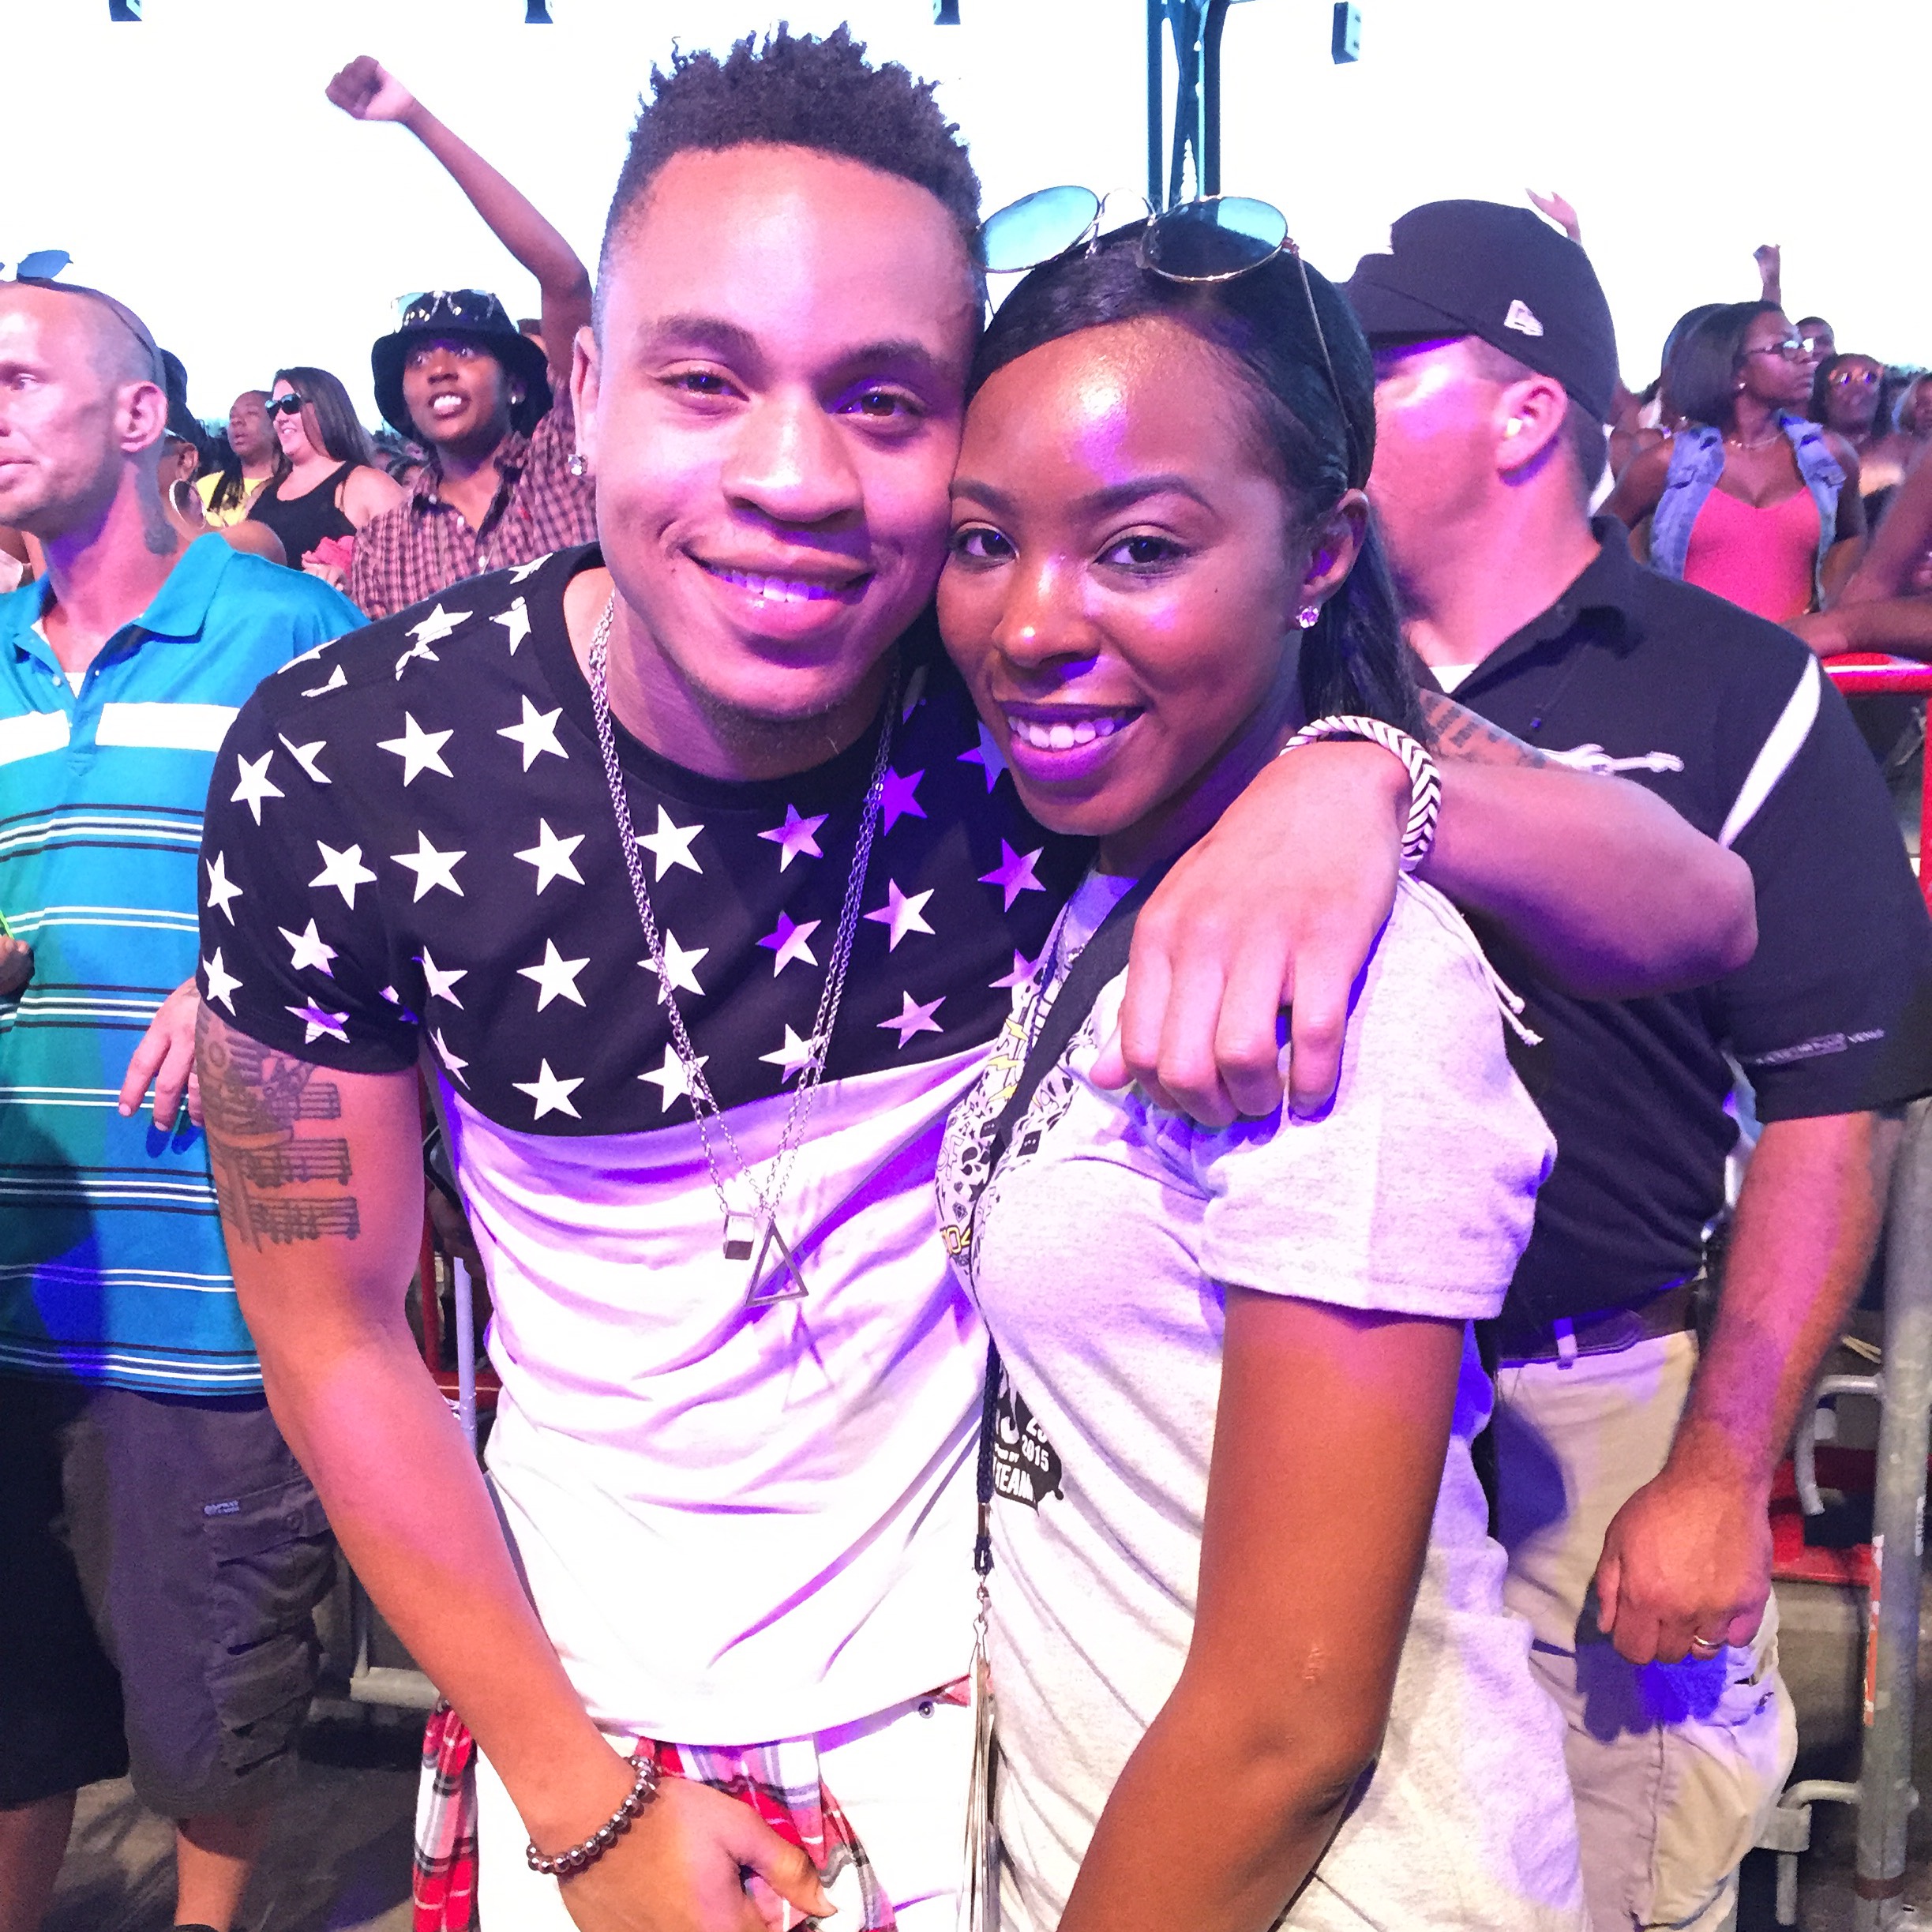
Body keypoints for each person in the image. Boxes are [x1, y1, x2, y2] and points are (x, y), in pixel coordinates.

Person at [192, 32, 1751, 1932]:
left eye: (881, 399)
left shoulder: (1034, 678)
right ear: (583, 387)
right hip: (598, 1745)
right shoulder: (354, 760)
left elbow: (1695, 905)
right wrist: (584, 1802)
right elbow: (335, 1328)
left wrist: (1367, 775)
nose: (790, 474)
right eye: (702, 378)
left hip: (1011, 1754)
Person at [931, 208, 1585, 1932]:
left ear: (1318, 552)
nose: (1028, 621)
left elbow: (1285, 1728)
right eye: (982, 540)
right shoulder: (1114, 871)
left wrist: (1367, 767)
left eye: (1137, 547)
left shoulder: (1353, 980)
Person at [1345, 197, 1932, 1932]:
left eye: (1377, 364)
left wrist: (1715, 1471)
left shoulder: (1729, 685)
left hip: (1584, 1411)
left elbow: (1829, 1095)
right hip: (1296, 1390)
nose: (1321, 400)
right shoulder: (1270, 660)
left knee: (1606, 1887)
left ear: (1527, 408)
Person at [0, 276, 363, 1932]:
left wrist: (245, 973)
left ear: (142, 414)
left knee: (212, 1693)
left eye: (19, 378)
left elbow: (398, 904)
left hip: (209, 1292)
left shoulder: (290, 634)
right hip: (21, 1278)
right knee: (15, 1699)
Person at [325, 56, 597, 620]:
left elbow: (565, 279)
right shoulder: (385, 546)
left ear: (515, 383)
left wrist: (414, 116)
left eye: (467, 351)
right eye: (418, 359)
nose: (439, 369)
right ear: (403, 400)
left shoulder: (566, 462)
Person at [1606, 302, 1866, 620]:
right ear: (1736, 373)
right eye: (1785, 348)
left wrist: (1824, 604)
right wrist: (1648, 605)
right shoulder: (1669, 462)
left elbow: (1852, 536)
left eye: (1803, 346)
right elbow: (1601, 537)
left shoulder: (1828, 456)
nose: (1806, 357)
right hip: (1690, 647)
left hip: (1790, 649)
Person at [246, 364, 403, 584]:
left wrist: (349, 583)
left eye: (290, 404)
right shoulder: (261, 495)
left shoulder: (368, 486)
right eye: (273, 408)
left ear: (325, 409)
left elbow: (408, 576)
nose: (280, 417)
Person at [198, 389, 277, 527]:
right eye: (232, 416)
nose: (236, 421)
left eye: (251, 413)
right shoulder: (205, 488)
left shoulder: (296, 488)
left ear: (277, 423)